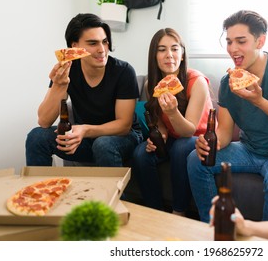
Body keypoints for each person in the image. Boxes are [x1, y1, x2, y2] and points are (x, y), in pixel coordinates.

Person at [187, 10, 268, 223]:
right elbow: (224, 132)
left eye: (241, 41)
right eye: (229, 42)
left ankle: (266, 245)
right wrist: (209, 144)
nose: (233, 49)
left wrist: (259, 101)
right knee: (195, 160)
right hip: (249, 150)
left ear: (260, 41)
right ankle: (212, 227)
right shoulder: (228, 83)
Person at [25, 13, 143, 167]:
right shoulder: (68, 70)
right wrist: (59, 85)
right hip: (85, 140)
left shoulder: (123, 71)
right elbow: (44, 121)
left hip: (124, 138)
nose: (102, 49)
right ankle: (42, 190)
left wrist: (85, 130)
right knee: (37, 136)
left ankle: (117, 192)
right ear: (74, 47)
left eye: (105, 42)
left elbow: (124, 125)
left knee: (103, 144)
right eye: (93, 43)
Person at [132, 28, 213, 215]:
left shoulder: (196, 81)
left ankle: (179, 212)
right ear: (154, 55)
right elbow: (159, 120)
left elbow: (189, 131)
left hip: (199, 138)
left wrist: (173, 112)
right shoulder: (150, 84)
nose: (169, 55)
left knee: (181, 146)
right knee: (140, 153)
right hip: (175, 137)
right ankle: (155, 212)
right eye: (161, 50)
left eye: (174, 49)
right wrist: (160, 135)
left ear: (182, 54)